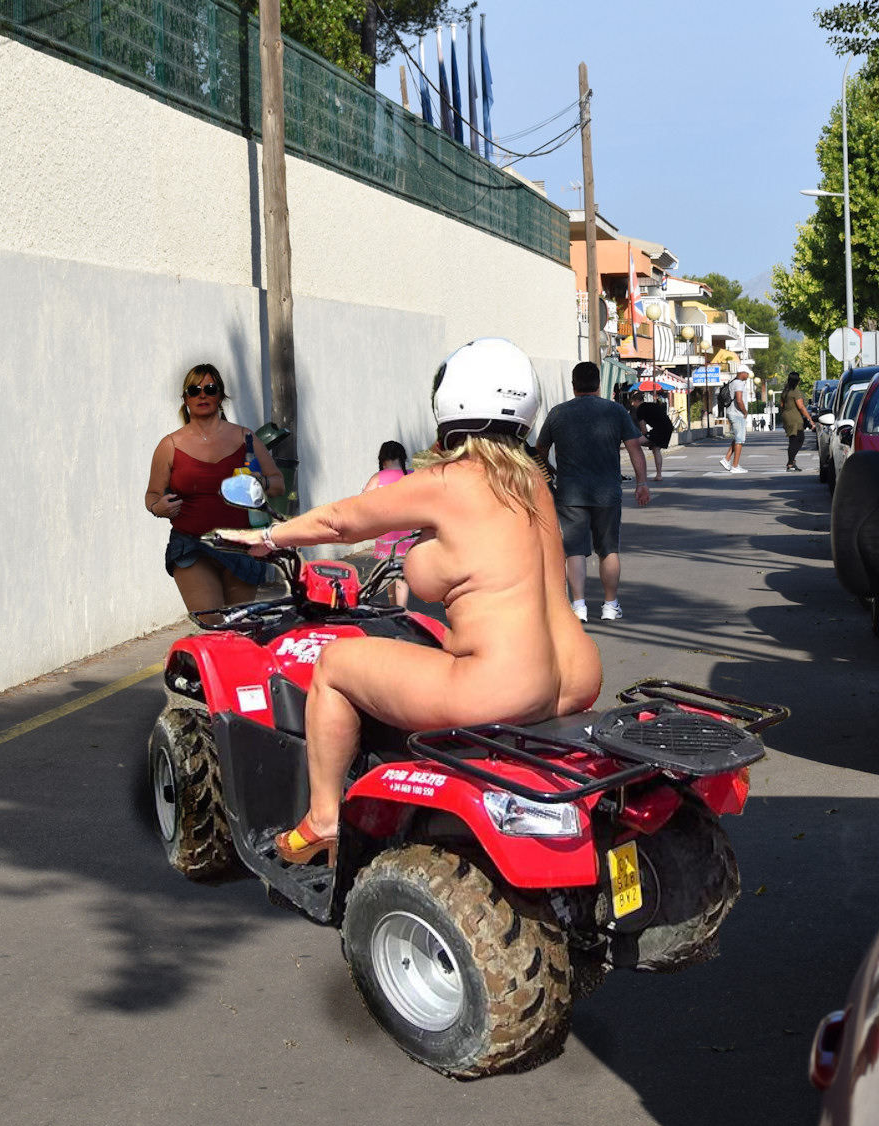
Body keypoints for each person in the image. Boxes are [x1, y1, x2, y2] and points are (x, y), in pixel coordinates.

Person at [215, 338, 602, 865]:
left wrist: (269, 537)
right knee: (434, 639)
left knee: (333, 665)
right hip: (575, 675)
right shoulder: (532, 479)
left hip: (502, 688)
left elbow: (341, 520)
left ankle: (325, 817)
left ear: (451, 408)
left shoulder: (449, 480)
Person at [144, 364, 286, 622]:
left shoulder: (246, 438)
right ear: (185, 398)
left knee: (236, 625)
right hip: (192, 544)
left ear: (220, 396)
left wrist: (259, 481)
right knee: (212, 621)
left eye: (210, 389)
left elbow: (278, 483)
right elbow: (152, 495)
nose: (202, 395)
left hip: (241, 544)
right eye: (194, 390)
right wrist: (159, 507)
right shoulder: (170, 445)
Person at [535, 361, 651, 623]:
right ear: (599, 384)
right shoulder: (616, 411)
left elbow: (540, 449)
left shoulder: (558, 413)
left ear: (573, 385)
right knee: (608, 550)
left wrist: (550, 468)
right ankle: (610, 606)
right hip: (607, 492)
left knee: (574, 551)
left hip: (570, 493)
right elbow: (635, 448)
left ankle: (579, 607)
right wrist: (642, 483)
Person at [361, 440, 417, 607]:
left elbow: (363, 501)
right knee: (401, 573)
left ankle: (396, 608)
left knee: (390, 570)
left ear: (382, 459)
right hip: (407, 531)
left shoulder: (378, 478)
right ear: (402, 458)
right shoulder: (412, 475)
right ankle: (398, 608)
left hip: (387, 531)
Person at [780, 370, 817, 472]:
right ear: (798, 381)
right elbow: (801, 407)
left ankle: (792, 462)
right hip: (795, 418)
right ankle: (790, 463)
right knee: (798, 440)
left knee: (793, 440)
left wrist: (784, 420)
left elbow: (782, 406)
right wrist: (809, 419)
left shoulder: (785, 391)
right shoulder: (795, 391)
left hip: (787, 417)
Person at [634, 390, 675, 481]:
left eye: (633, 403)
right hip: (668, 427)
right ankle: (659, 475)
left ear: (636, 401)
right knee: (656, 449)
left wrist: (646, 438)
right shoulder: (651, 405)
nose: (633, 405)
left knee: (636, 443)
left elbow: (643, 428)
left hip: (659, 429)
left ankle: (641, 473)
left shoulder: (640, 409)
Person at [718, 367, 750, 473]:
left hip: (731, 412)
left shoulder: (733, 381)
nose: (748, 375)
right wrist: (745, 412)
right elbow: (739, 400)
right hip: (737, 414)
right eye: (747, 373)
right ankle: (735, 466)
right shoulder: (739, 383)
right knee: (740, 440)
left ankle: (726, 459)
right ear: (742, 373)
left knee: (737, 438)